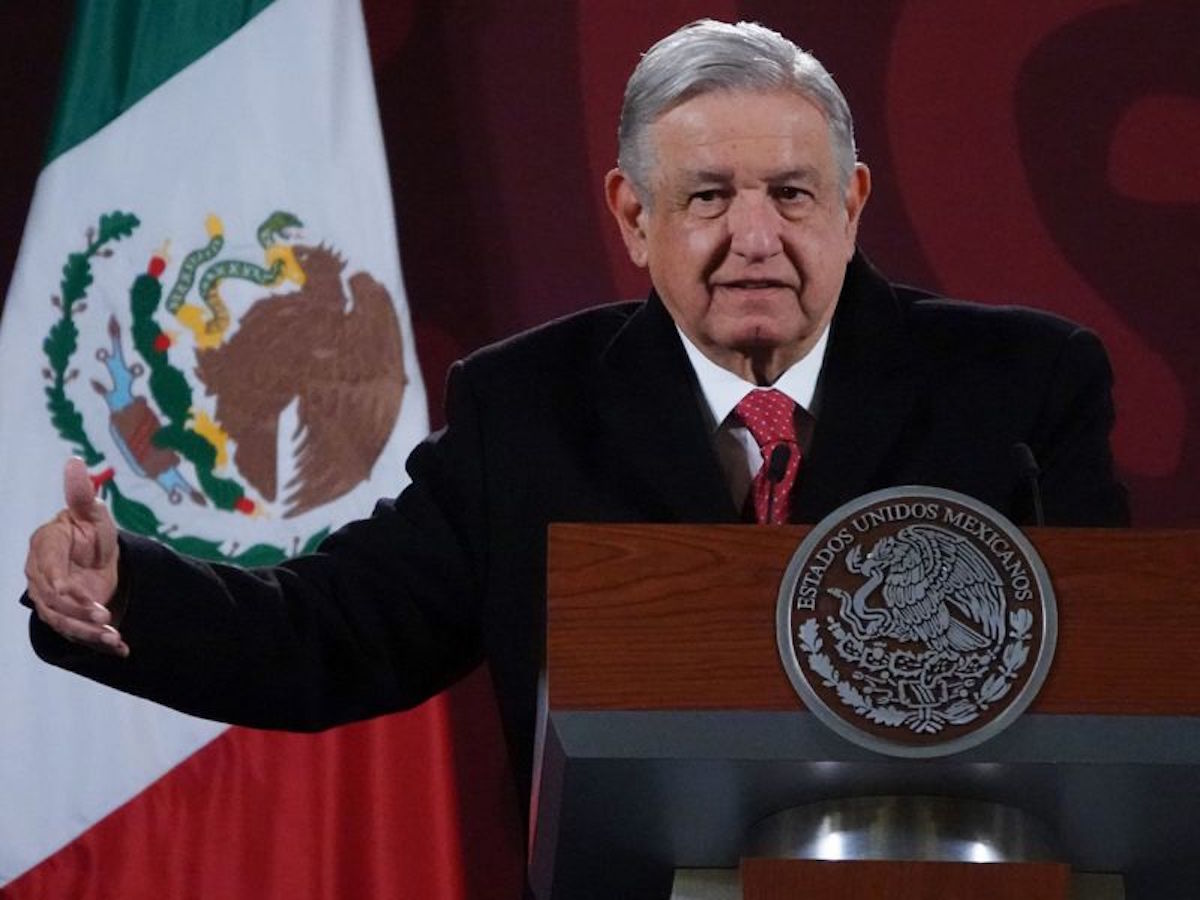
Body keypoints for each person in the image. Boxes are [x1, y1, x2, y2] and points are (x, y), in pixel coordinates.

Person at [21, 18, 1127, 841]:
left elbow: (1121, 688)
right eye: (708, 197)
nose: (755, 237)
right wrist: (122, 589)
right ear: (634, 216)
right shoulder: (527, 410)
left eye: (793, 195)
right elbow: (334, 633)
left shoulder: (1021, 390)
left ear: (851, 206)